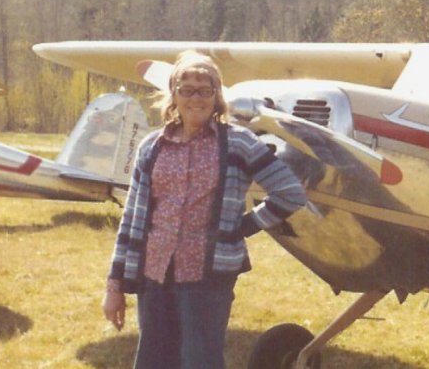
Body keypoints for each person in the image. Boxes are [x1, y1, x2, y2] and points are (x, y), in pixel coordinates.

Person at [103, 50, 307, 369]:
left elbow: (291, 193)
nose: (195, 98)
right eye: (186, 89)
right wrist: (114, 286)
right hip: (154, 273)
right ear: (174, 96)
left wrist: (244, 226)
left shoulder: (238, 143)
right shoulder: (153, 147)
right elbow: (131, 220)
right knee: (154, 361)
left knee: (200, 360)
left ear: (217, 97)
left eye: (205, 90)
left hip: (208, 278)